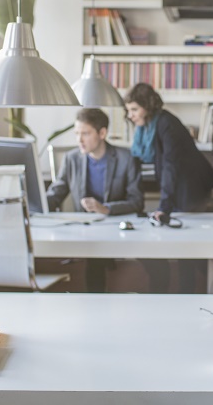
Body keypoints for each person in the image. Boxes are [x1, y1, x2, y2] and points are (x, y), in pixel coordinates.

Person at [124, 83, 213, 293]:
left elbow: (170, 166)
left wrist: (164, 207)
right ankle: (192, 290)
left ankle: (193, 293)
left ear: (147, 106)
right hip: (181, 186)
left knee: (187, 248)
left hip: (191, 188)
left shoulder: (166, 124)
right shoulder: (150, 125)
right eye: (128, 110)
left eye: (134, 109)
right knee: (186, 247)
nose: (130, 115)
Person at [46, 108, 143, 292]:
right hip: (84, 230)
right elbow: (56, 192)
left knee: (95, 261)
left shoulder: (126, 159)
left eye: (85, 133)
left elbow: (137, 201)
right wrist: (36, 205)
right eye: (77, 134)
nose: (79, 140)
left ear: (102, 133)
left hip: (114, 227)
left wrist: (106, 208)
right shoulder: (71, 158)